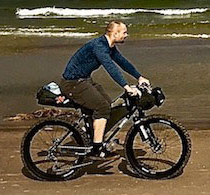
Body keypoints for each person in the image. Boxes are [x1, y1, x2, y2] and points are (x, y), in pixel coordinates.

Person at [61, 20, 149, 158]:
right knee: (102, 107)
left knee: (107, 104)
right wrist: (126, 87)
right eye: (124, 32)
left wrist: (139, 77)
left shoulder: (109, 47)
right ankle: (97, 148)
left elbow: (123, 63)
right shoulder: (99, 46)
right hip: (73, 83)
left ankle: (87, 135)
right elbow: (110, 67)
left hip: (84, 80)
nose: (126, 35)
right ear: (115, 33)